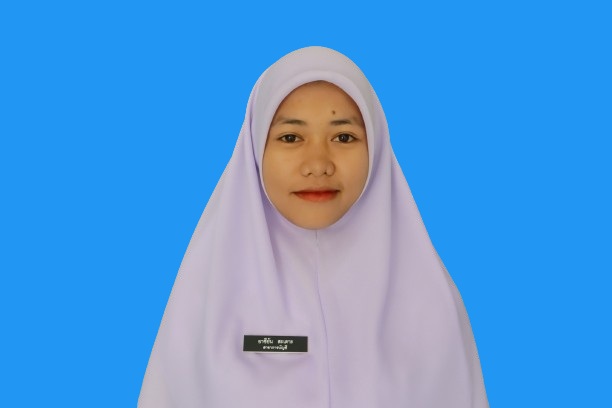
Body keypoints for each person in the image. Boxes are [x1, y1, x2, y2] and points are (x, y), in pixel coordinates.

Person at [139, 46, 489, 407]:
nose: (318, 164)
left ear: (377, 147)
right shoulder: (203, 300)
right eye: (291, 137)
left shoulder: (431, 303)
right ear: (255, 149)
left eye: (344, 137)